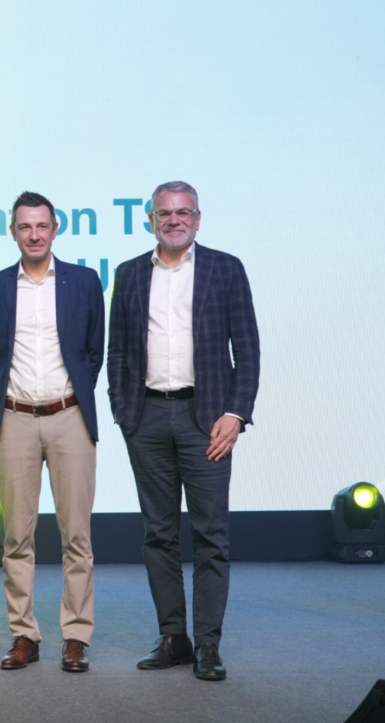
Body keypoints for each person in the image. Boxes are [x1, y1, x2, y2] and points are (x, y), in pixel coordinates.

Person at [107, 180, 260, 681]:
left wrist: (236, 414)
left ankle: (208, 645)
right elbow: (118, 351)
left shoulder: (226, 268)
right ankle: (173, 637)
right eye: (164, 213)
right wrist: (124, 414)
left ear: (197, 218)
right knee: (158, 534)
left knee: (211, 535)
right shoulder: (129, 273)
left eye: (183, 212)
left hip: (207, 419)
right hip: (147, 418)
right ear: (150, 220)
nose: (173, 220)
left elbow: (248, 349)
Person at [0, 191, 105, 673]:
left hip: (70, 416)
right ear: (13, 232)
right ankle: (24, 635)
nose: (34, 235)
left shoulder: (84, 281)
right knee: (16, 537)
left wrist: (69, 398)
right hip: (14, 417)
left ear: (55, 229)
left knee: (77, 536)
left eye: (41, 226)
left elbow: (93, 352)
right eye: (25, 227)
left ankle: (75, 637)